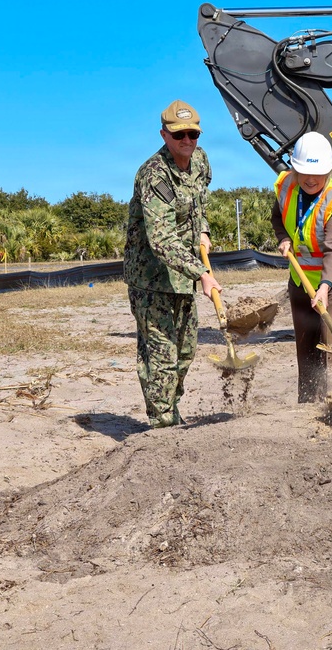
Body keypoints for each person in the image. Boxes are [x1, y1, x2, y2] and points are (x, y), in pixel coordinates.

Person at [124, 100, 222, 429]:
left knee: (185, 352)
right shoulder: (154, 175)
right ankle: (162, 425)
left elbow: (199, 203)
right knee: (161, 356)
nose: (187, 141)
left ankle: (172, 411)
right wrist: (203, 274)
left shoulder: (200, 161)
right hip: (150, 277)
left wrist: (203, 229)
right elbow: (162, 239)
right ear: (164, 135)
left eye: (193, 134)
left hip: (182, 276)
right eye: (179, 135)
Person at [272, 131, 332, 403]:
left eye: (318, 173)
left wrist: (325, 287)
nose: (311, 179)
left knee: (331, 345)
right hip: (301, 278)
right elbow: (277, 216)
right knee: (306, 344)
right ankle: (308, 403)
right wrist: (283, 237)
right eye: (304, 173)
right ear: (294, 168)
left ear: (328, 170)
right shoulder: (286, 186)